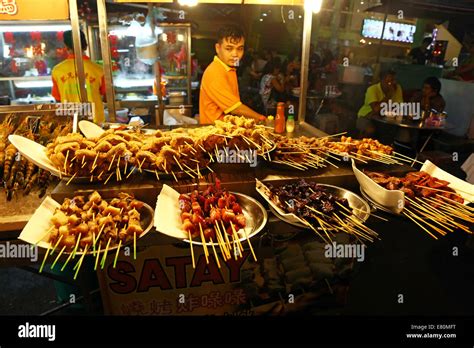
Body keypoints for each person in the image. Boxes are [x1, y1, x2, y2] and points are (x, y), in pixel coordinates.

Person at [199, 25, 266, 124]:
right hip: (214, 133)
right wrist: (262, 119)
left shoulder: (229, 68)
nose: (235, 54)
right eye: (229, 49)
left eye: (239, 49)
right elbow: (235, 109)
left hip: (226, 129)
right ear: (218, 48)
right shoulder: (215, 72)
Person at [51, 30, 106, 124]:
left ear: (66, 47)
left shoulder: (57, 70)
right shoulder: (98, 69)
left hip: (69, 122)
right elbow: (105, 96)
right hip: (95, 121)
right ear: (86, 46)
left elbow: (58, 99)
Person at [357, 69, 403, 136]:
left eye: (394, 81)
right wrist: (389, 95)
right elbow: (375, 109)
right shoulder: (372, 89)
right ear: (382, 81)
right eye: (389, 82)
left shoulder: (397, 88)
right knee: (370, 130)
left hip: (385, 118)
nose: (393, 84)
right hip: (366, 116)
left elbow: (399, 106)